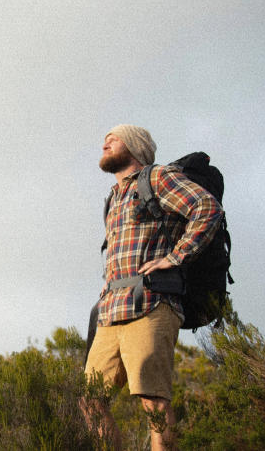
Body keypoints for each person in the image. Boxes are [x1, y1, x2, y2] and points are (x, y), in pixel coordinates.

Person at [83, 124, 224, 451]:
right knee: (90, 402)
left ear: (134, 147)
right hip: (111, 312)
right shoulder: (114, 197)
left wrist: (176, 257)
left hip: (151, 304)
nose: (105, 142)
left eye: (113, 138)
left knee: (153, 401)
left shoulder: (158, 178)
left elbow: (206, 209)